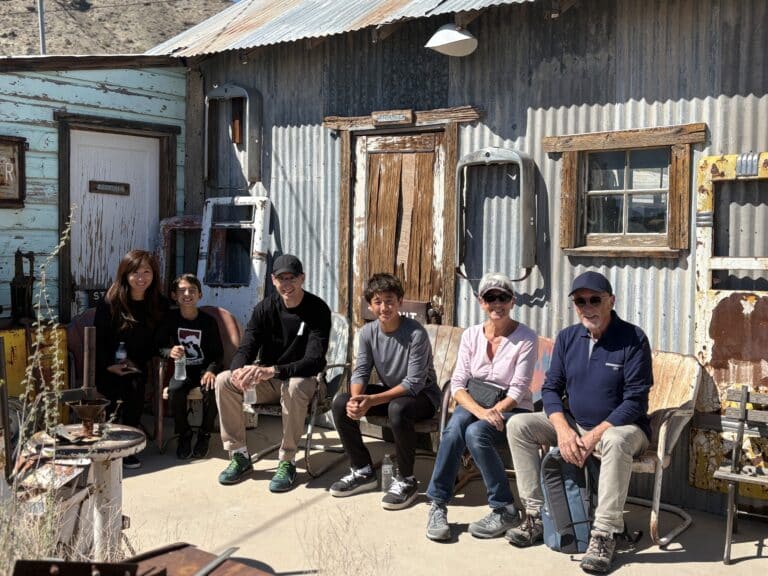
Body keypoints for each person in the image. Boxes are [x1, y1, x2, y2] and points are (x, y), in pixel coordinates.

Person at [506, 271, 652, 574]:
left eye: (595, 299)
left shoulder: (633, 339)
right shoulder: (568, 338)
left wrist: (594, 436)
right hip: (574, 423)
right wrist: (562, 429)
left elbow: (635, 401)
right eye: (580, 301)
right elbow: (550, 389)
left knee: (613, 440)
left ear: (611, 300)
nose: (588, 307)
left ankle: (604, 533)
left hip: (624, 429)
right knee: (518, 425)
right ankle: (536, 515)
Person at [425, 272, 537, 541]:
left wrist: (495, 411)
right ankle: (438, 505)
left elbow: (519, 389)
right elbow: (459, 382)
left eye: (503, 297)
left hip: (512, 408)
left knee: (474, 433)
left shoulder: (526, 338)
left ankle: (505, 508)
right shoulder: (472, 335)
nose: (496, 303)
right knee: (454, 430)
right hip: (477, 403)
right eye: (490, 297)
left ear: (512, 302)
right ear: (481, 302)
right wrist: (481, 412)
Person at [215, 254, 331, 492]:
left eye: (292, 278)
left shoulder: (317, 309)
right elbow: (247, 346)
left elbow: (314, 361)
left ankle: (287, 460)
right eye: (281, 278)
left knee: (295, 385)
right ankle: (239, 455)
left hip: (307, 384)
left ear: (302, 278)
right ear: (273, 280)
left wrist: (274, 370)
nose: (287, 284)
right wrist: (239, 371)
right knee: (224, 380)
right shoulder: (265, 308)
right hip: (270, 381)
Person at [330, 273, 440, 510]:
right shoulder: (369, 332)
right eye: (377, 302)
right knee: (340, 402)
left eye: (389, 301)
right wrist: (357, 399)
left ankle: (406, 480)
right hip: (391, 392)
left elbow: (413, 384)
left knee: (397, 408)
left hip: (423, 397)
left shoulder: (415, 334)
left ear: (400, 302)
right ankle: (362, 471)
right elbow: (360, 371)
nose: (384, 307)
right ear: (370, 305)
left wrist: (371, 399)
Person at [95, 249, 170, 469]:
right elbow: (98, 340)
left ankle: (127, 446)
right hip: (107, 363)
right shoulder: (110, 303)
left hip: (138, 362)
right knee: (112, 387)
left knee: (135, 383)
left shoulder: (160, 304)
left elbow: (160, 341)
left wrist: (142, 360)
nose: (141, 277)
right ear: (125, 274)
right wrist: (110, 364)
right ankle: (108, 440)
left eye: (147, 271)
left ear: (154, 275)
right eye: (135, 272)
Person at [158, 274, 223, 460]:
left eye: (192, 290)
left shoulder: (208, 322)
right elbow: (158, 346)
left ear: (200, 295)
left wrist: (211, 370)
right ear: (174, 295)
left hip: (203, 370)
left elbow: (218, 354)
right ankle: (184, 434)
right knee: (175, 389)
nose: (187, 294)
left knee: (211, 388)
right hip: (181, 370)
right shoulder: (170, 319)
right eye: (182, 291)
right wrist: (169, 351)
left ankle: (204, 434)